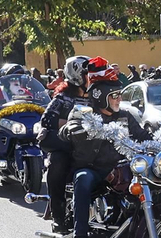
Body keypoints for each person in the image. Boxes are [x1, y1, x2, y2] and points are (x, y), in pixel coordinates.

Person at [61, 78, 153, 238]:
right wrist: (72, 129)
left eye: (120, 95)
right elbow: (66, 129)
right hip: (93, 168)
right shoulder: (86, 115)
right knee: (82, 178)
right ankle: (80, 236)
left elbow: (142, 135)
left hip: (122, 168)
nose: (119, 99)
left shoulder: (125, 116)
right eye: (114, 95)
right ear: (101, 97)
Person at [34, 55, 107, 221]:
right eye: (88, 74)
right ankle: (58, 215)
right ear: (77, 76)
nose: (93, 78)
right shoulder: (64, 97)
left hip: (95, 146)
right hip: (69, 145)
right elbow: (47, 120)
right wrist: (76, 125)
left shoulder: (98, 96)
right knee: (57, 163)